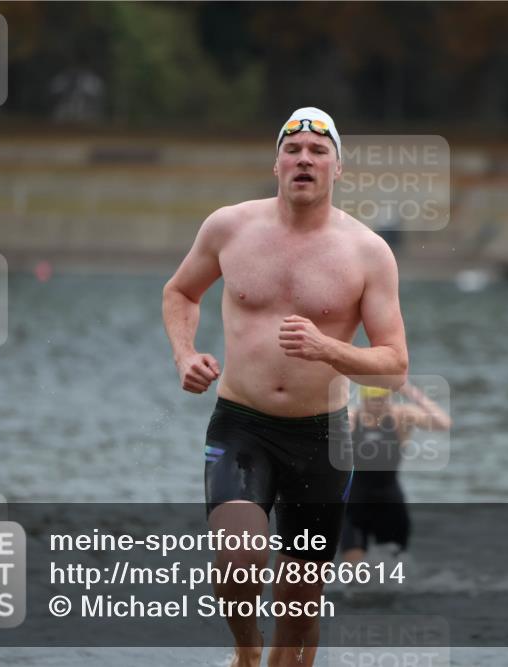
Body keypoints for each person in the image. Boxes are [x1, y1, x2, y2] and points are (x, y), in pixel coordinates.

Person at [162, 106, 409, 667]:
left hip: (322, 439)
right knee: (237, 558)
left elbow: (395, 366)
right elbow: (180, 293)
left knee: (299, 610)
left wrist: (329, 349)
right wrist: (184, 356)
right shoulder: (229, 227)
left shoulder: (368, 252)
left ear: (336, 169)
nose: (304, 159)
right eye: (293, 149)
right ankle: (246, 653)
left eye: (318, 152)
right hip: (241, 424)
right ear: (276, 163)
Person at [340, 382, 452, 564]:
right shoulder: (351, 417)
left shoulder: (401, 416)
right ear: (364, 400)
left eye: (383, 400)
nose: (379, 404)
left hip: (390, 502)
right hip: (355, 504)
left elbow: (443, 423)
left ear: (390, 398)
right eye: (373, 400)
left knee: (393, 572)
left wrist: (409, 391)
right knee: (354, 573)